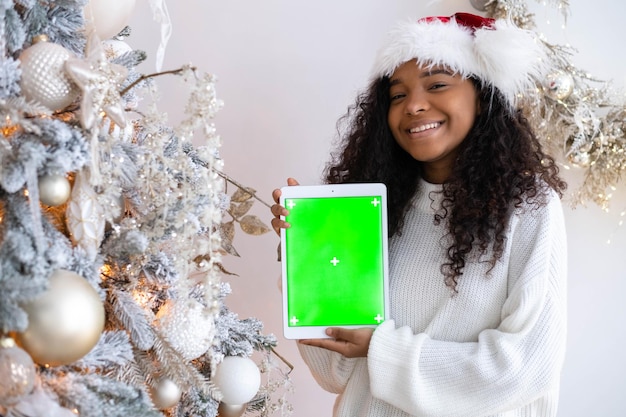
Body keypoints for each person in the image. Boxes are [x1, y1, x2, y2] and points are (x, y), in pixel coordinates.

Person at [270, 12, 567, 417]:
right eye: (396, 95)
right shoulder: (371, 211)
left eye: (437, 84)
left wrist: (383, 348)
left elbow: (524, 369)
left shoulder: (528, 207)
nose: (413, 105)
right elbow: (337, 373)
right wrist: (306, 265)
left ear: (482, 96)